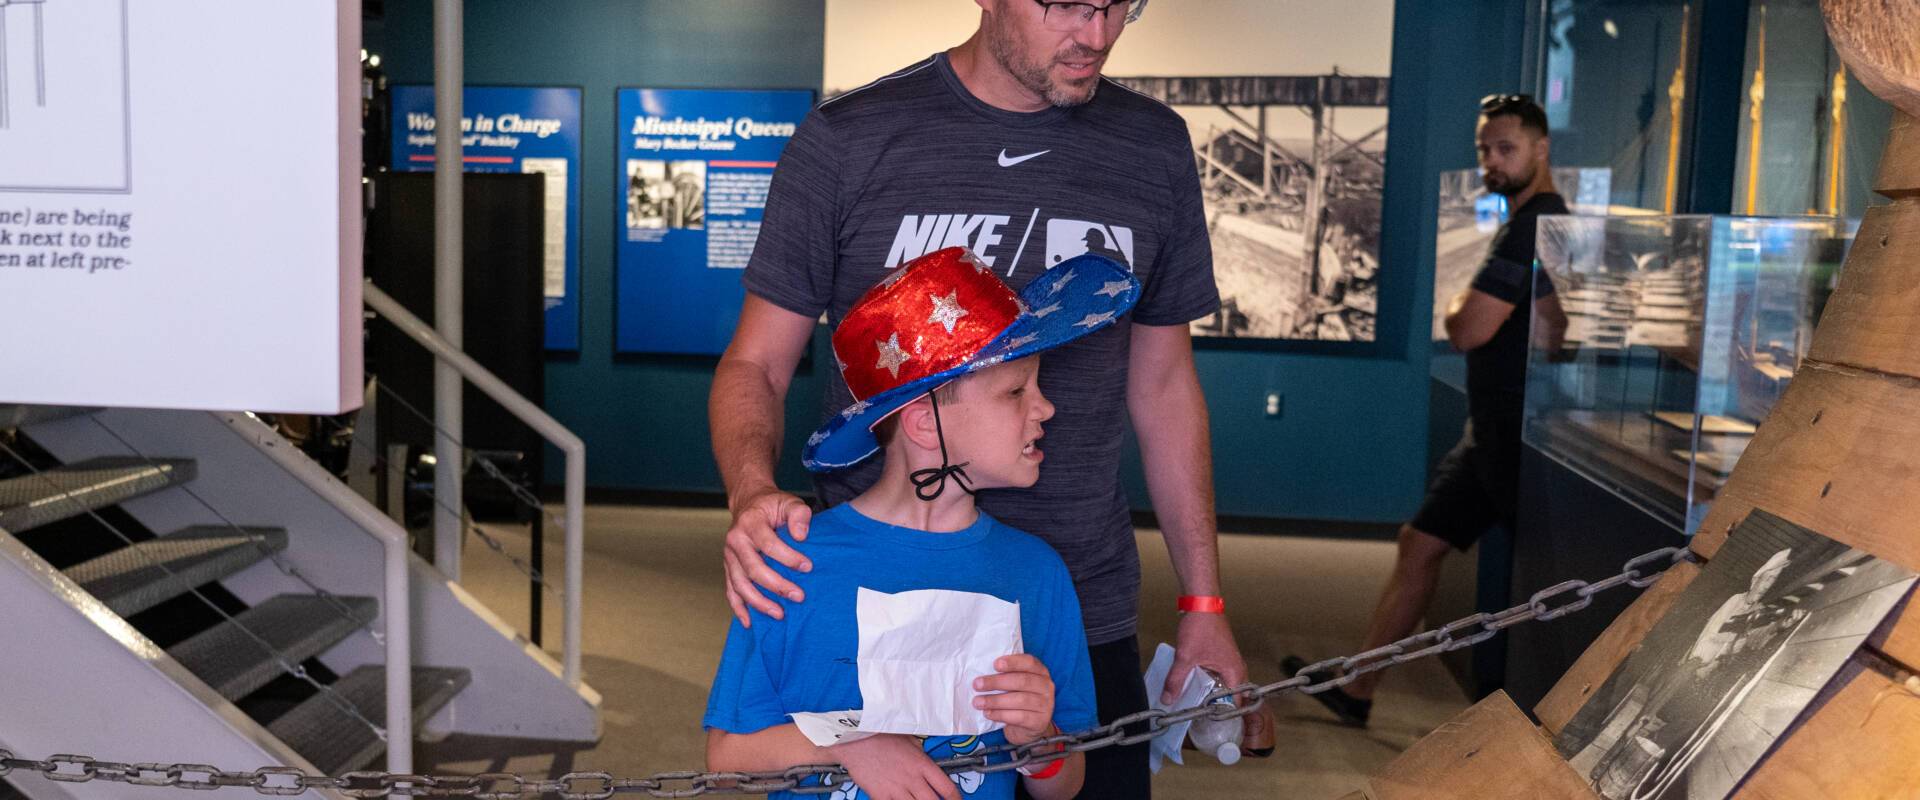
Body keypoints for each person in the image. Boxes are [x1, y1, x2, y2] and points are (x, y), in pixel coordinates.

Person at [708, 2, 1253, 795]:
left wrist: (1203, 598)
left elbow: (1165, 385)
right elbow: (756, 362)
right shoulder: (847, 140)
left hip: (1072, 596)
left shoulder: (1153, 146)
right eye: (1067, 3)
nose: (1097, 35)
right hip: (879, 608)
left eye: (1120, 6)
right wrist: (752, 493)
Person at [705, 248, 1138, 799]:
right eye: (1015, 391)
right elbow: (726, 756)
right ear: (923, 424)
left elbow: (1065, 782)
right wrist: (847, 746)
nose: (1045, 408)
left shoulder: (1036, 572)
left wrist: (1039, 739)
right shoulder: (794, 561)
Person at [1285, 94, 1570, 727]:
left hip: (1516, 436)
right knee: (1419, 543)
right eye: (1484, 151)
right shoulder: (1529, 221)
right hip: (1497, 430)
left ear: (1540, 149)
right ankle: (1359, 689)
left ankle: (1547, 721)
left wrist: (1457, 305)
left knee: (1537, 577)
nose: (1492, 163)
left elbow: (1466, 327)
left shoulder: (1533, 225)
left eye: (1507, 149)